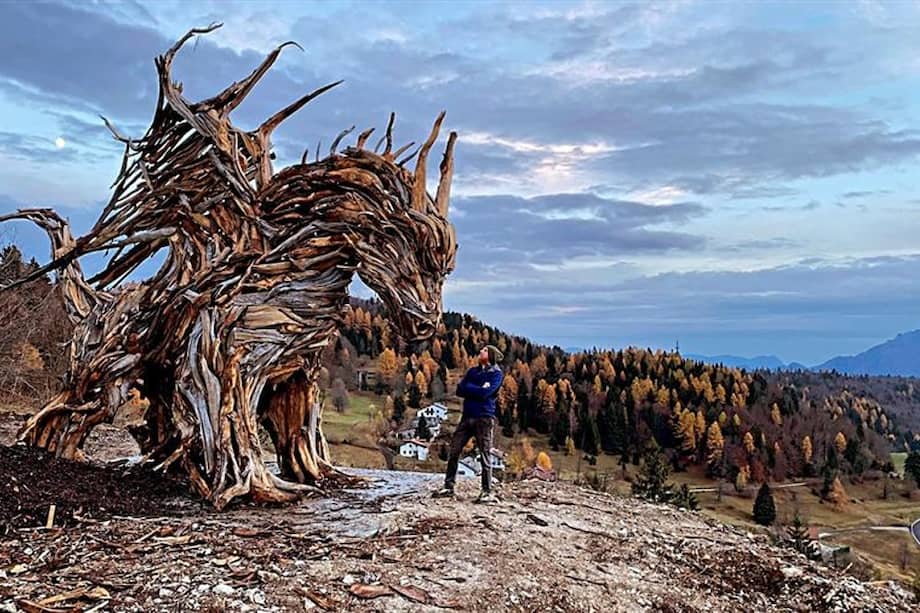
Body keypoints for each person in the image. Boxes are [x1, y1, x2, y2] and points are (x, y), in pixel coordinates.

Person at [433, 344, 504, 502]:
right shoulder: (473, 371)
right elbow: (460, 390)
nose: (480, 352)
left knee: (485, 454)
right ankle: (448, 487)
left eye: (484, 350)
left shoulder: (497, 374)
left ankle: (486, 491)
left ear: (491, 355)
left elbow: (485, 393)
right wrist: (478, 388)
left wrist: (472, 389)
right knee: (454, 451)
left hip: (484, 418)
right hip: (467, 417)